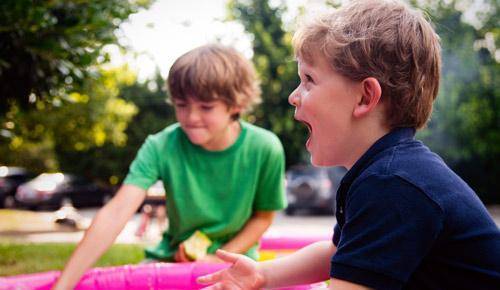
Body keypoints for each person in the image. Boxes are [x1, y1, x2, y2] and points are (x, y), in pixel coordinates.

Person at [197, 1, 500, 289]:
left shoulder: (393, 184)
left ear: (365, 97)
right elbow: (336, 253)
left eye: (309, 79)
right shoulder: (384, 173)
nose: (293, 95)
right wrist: (262, 275)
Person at [52, 44, 287, 290]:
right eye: (181, 105)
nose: (191, 117)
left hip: (236, 265)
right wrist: (63, 286)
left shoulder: (265, 148)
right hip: (171, 260)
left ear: (236, 104)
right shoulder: (160, 145)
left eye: (206, 107)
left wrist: (217, 258)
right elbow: (117, 211)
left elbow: (263, 217)